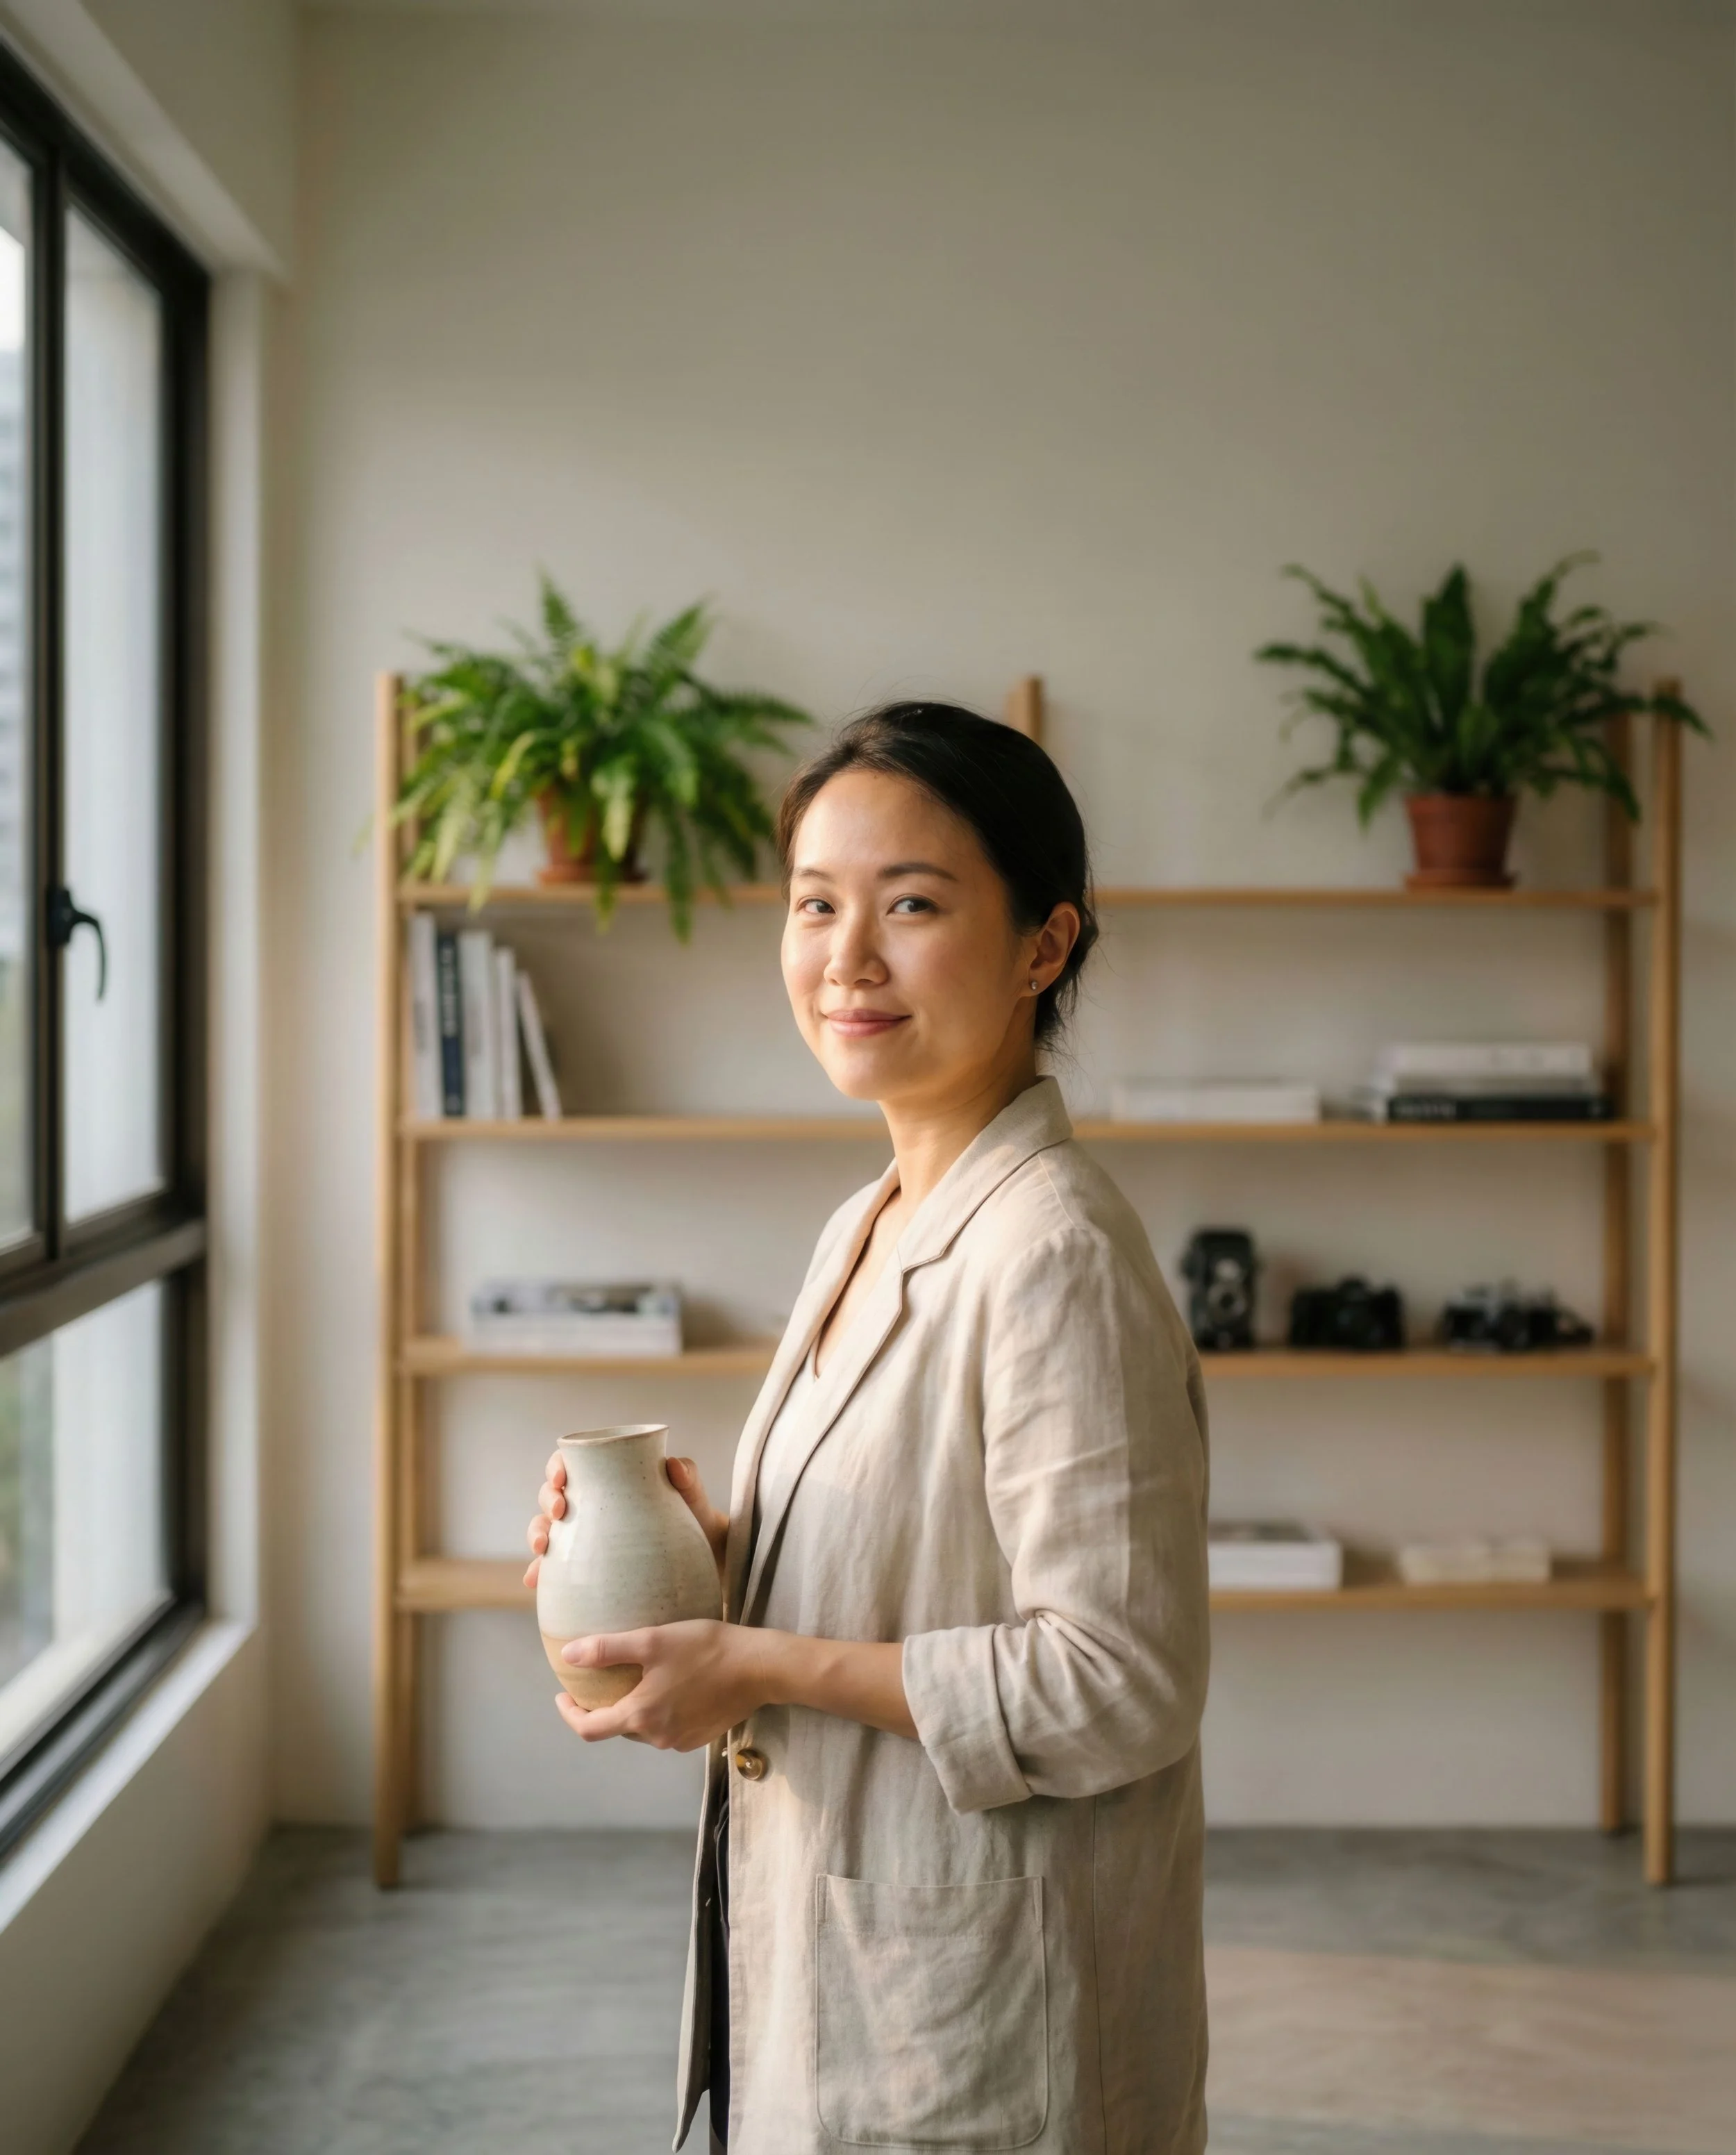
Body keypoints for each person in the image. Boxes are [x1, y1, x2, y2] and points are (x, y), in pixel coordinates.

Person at [524, 703, 1210, 2154]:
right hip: (850, 1964)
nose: (845, 957)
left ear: (1044, 945)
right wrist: (695, 1565)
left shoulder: (1051, 1250)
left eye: (909, 905)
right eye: (814, 904)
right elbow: (912, 1553)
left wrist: (755, 1661)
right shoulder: (875, 1216)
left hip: (982, 2022)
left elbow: (1120, 1681)